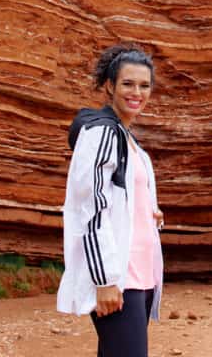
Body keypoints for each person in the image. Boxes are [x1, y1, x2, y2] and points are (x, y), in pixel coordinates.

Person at [57, 43, 164, 357]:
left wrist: (149, 212)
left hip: (141, 275)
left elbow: (121, 196)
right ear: (109, 85)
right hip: (118, 274)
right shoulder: (103, 134)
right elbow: (91, 207)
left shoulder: (128, 139)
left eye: (145, 85)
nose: (137, 92)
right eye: (128, 83)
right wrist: (104, 280)